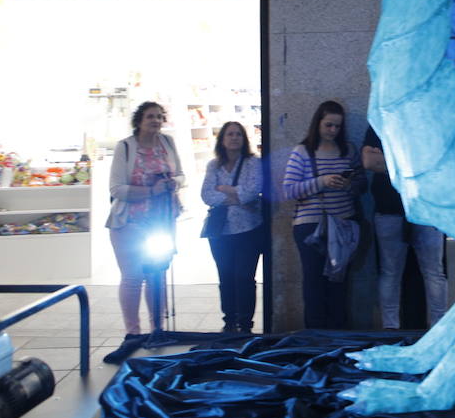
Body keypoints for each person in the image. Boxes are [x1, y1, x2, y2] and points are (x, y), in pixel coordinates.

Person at [105, 101, 184, 362]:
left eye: (160, 116)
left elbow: (182, 176)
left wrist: (173, 183)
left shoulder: (168, 144)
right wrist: (151, 191)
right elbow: (116, 188)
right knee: (132, 277)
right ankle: (132, 333)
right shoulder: (126, 147)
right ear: (139, 120)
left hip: (161, 221)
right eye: (151, 116)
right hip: (129, 223)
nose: (156, 121)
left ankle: (156, 329)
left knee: (157, 276)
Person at [279, 100, 361, 329]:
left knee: (339, 284)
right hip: (311, 226)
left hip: (344, 224)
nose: (333, 131)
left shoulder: (349, 150)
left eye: (337, 126)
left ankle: (338, 334)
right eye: (329, 125)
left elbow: (361, 184)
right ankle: (315, 336)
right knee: (314, 284)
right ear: (318, 124)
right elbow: (288, 190)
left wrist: (348, 186)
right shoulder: (303, 152)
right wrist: (321, 182)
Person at [364, 125, 447, 331]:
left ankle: (437, 327)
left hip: (425, 210)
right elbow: (369, 161)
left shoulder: (425, 122)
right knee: (394, 272)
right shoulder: (380, 122)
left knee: (432, 272)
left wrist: (388, 160)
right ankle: (391, 328)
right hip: (394, 209)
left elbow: (440, 162)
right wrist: (415, 164)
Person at [200, 121, 266, 334]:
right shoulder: (213, 165)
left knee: (245, 277)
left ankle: (245, 323)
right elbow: (206, 195)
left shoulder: (253, 163)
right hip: (220, 232)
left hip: (249, 229)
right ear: (222, 139)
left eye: (238, 134)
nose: (234, 138)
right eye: (230, 134)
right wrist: (235, 195)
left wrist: (224, 190)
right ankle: (229, 320)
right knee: (225, 276)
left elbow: (252, 191)